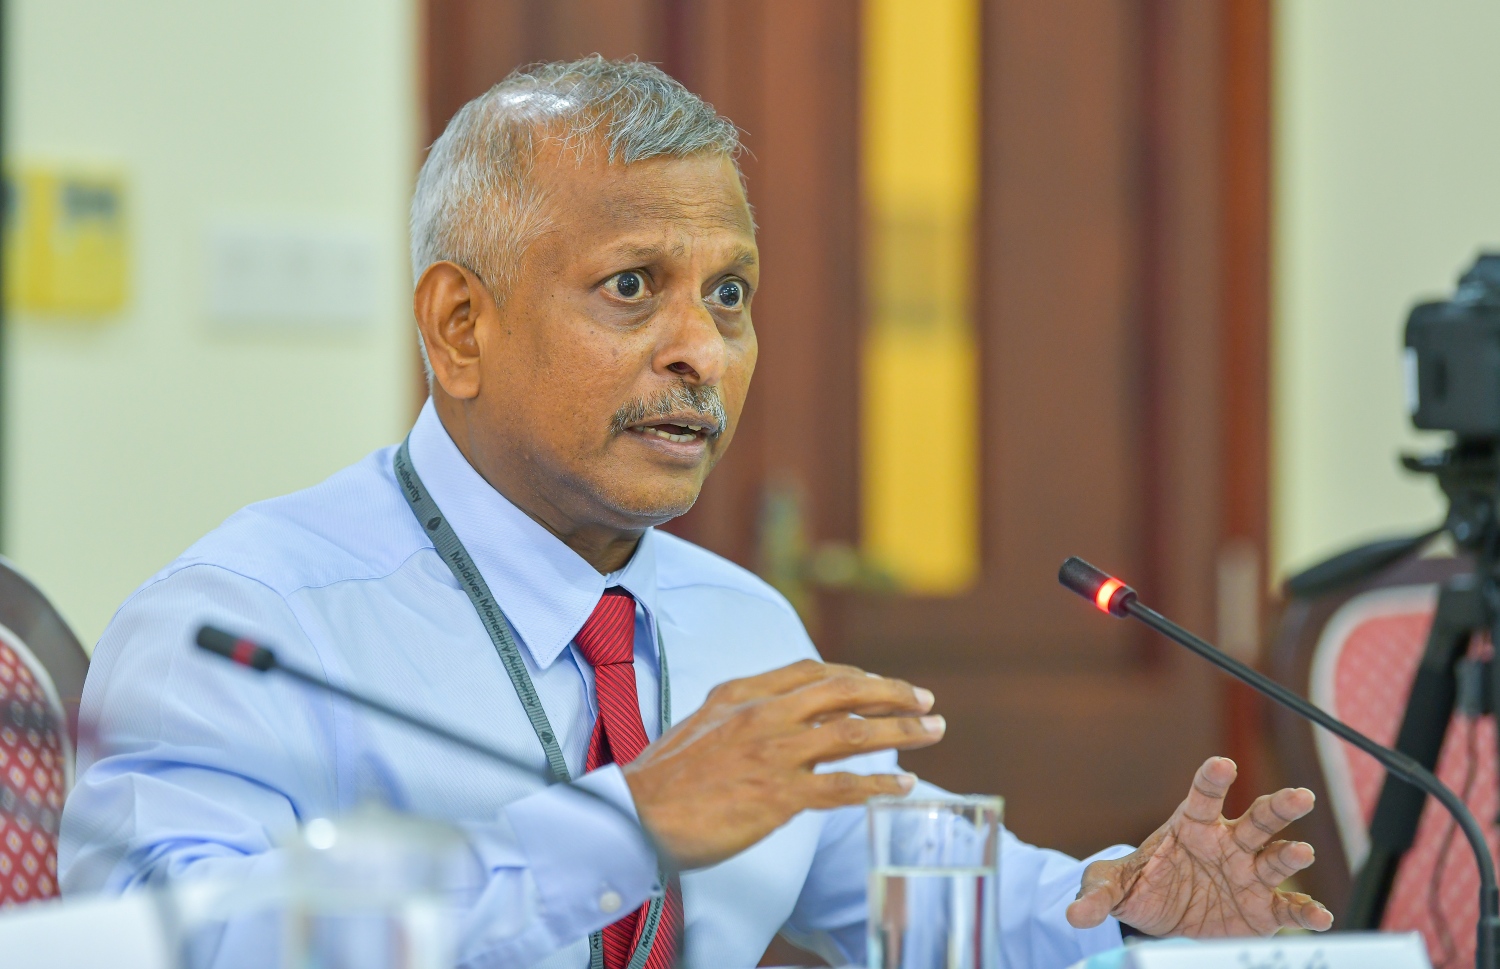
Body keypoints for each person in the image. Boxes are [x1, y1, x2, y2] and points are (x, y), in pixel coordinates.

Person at [59, 57, 1332, 969]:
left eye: (730, 294)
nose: (702, 352)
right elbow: (172, 943)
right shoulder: (247, 623)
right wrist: (622, 827)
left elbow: (906, 887)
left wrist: (1125, 912)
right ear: (460, 326)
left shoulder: (740, 624)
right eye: (632, 286)